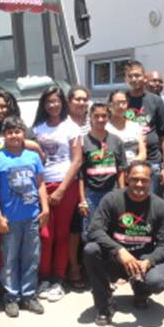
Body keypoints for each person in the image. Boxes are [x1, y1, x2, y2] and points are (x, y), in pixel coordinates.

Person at [85, 161, 164, 324]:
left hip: (142, 261)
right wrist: (119, 250)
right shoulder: (112, 199)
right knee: (91, 250)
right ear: (127, 178)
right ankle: (104, 305)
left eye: (144, 180)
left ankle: (141, 292)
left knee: (156, 282)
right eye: (134, 179)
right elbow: (94, 229)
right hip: (116, 259)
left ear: (150, 181)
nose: (139, 184)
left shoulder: (159, 205)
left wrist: (149, 261)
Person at [0, 116, 50, 318]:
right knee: (9, 258)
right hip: (10, 219)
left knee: (31, 257)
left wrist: (45, 208)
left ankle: (29, 295)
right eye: (9, 132)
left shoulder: (33, 157)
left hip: (31, 217)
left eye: (17, 131)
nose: (14, 135)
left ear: (24, 133)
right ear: (4, 135)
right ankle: (11, 297)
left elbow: (40, 184)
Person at [33, 86, 83, 302]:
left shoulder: (71, 127)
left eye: (56, 101)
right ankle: (43, 277)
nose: (53, 105)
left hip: (65, 185)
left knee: (62, 234)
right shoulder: (37, 128)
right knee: (45, 235)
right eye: (48, 102)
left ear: (62, 103)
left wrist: (62, 189)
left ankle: (58, 278)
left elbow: (77, 160)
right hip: (42, 185)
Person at [123, 60, 164, 195]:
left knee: (152, 203)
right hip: (127, 162)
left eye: (137, 75)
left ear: (144, 78)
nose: (134, 79)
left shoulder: (155, 100)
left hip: (152, 162)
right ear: (126, 79)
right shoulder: (122, 100)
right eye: (130, 76)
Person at [78, 102, 127, 236]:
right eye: (96, 116)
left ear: (109, 117)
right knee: (91, 231)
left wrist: (122, 193)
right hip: (91, 193)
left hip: (112, 192)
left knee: (113, 229)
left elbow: (121, 169)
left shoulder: (116, 141)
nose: (100, 119)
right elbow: (80, 174)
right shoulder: (83, 142)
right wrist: (82, 200)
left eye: (104, 116)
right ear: (90, 117)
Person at [66, 86, 91, 287]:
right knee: (73, 227)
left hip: (94, 180)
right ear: (69, 102)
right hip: (71, 180)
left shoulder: (94, 120)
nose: (82, 103)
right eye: (77, 99)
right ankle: (73, 267)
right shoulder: (63, 123)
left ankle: (92, 268)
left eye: (85, 99)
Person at [106, 90, 145, 164]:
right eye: (117, 103)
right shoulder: (105, 128)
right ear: (110, 106)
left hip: (134, 166)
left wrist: (132, 165)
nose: (121, 106)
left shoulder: (135, 126)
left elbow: (143, 153)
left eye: (124, 103)